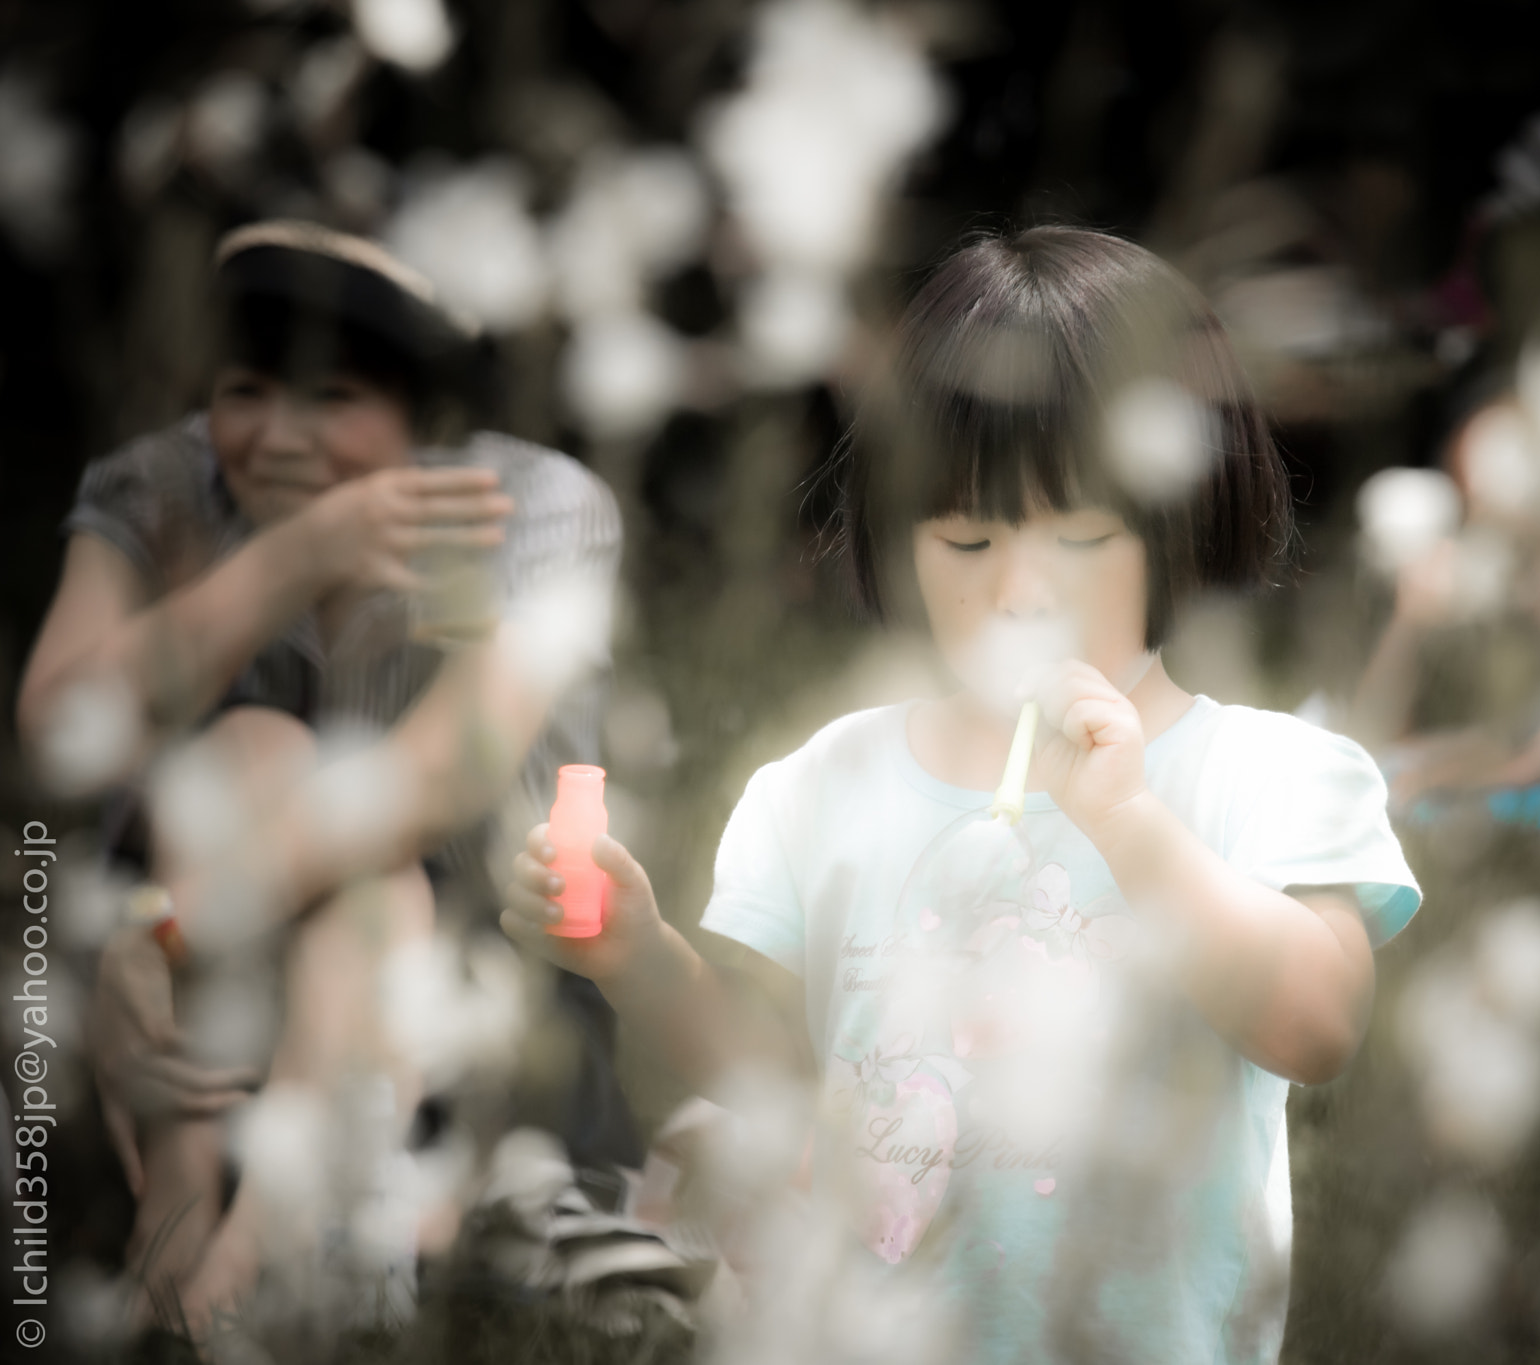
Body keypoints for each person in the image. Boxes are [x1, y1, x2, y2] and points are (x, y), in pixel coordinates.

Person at [502, 227, 1421, 1364]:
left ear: (1184, 521)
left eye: (1080, 537)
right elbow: (780, 1076)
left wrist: (1129, 826)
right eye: (967, 536)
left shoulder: (1264, 773)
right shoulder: (825, 784)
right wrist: (637, 957)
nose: (1019, 585)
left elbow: (1316, 1024)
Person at [16, 221, 628, 1332]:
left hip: (471, 979)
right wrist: (294, 557)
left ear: (424, 423)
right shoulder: (162, 483)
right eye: (247, 392)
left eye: (333, 398)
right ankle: (189, 1226)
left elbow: (440, 775)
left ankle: (268, 1248)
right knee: (257, 749)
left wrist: (156, 928)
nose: (280, 438)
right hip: (209, 987)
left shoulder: (530, 504)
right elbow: (63, 728)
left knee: (365, 866)